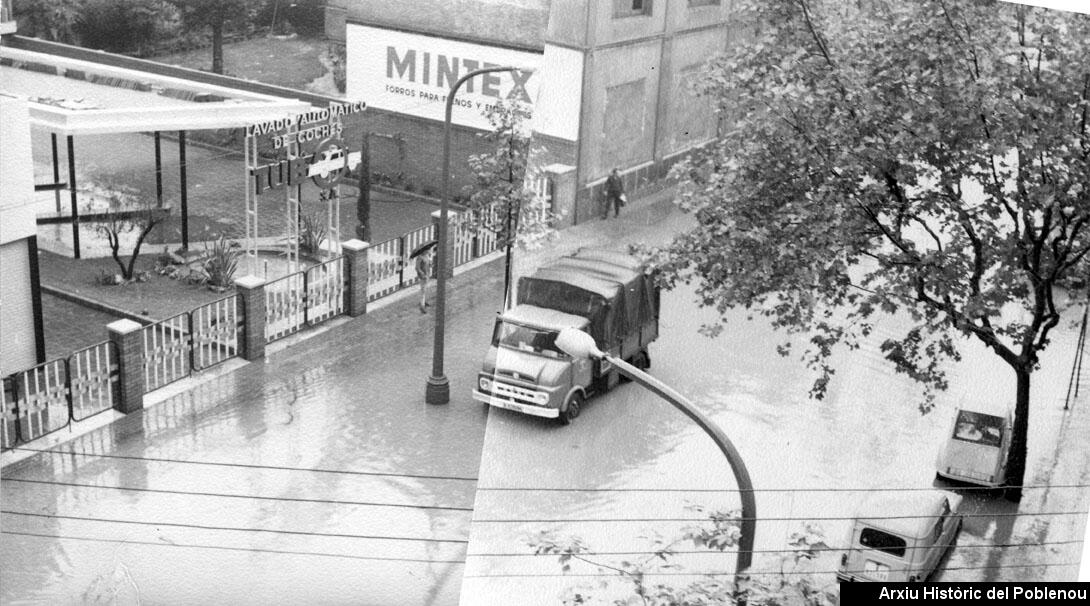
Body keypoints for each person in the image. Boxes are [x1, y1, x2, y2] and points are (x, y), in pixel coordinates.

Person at [416, 247, 434, 313]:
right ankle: (422, 306)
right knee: (423, 291)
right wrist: (423, 275)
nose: (429, 251)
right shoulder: (420, 258)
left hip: (427, 275)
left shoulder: (427, 256)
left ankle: (423, 301)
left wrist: (430, 264)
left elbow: (428, 265)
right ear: (424, 251)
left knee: (425, 289)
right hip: (423, 277)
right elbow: (417, 268)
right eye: (428, 250)